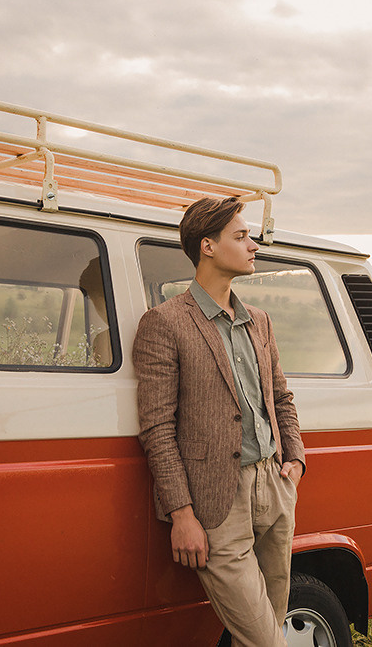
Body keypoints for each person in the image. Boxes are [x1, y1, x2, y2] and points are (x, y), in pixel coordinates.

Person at [133, 196, 306, 647]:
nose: (254, 246)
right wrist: (182, 514)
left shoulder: (260, 322)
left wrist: (295, 462)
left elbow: (281, 398)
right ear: (207, 246)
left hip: (274, 486)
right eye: (242, 236)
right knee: (266, 640)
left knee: (273, 623)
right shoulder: (164, 323)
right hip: (215, 504)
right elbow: (157, 428)